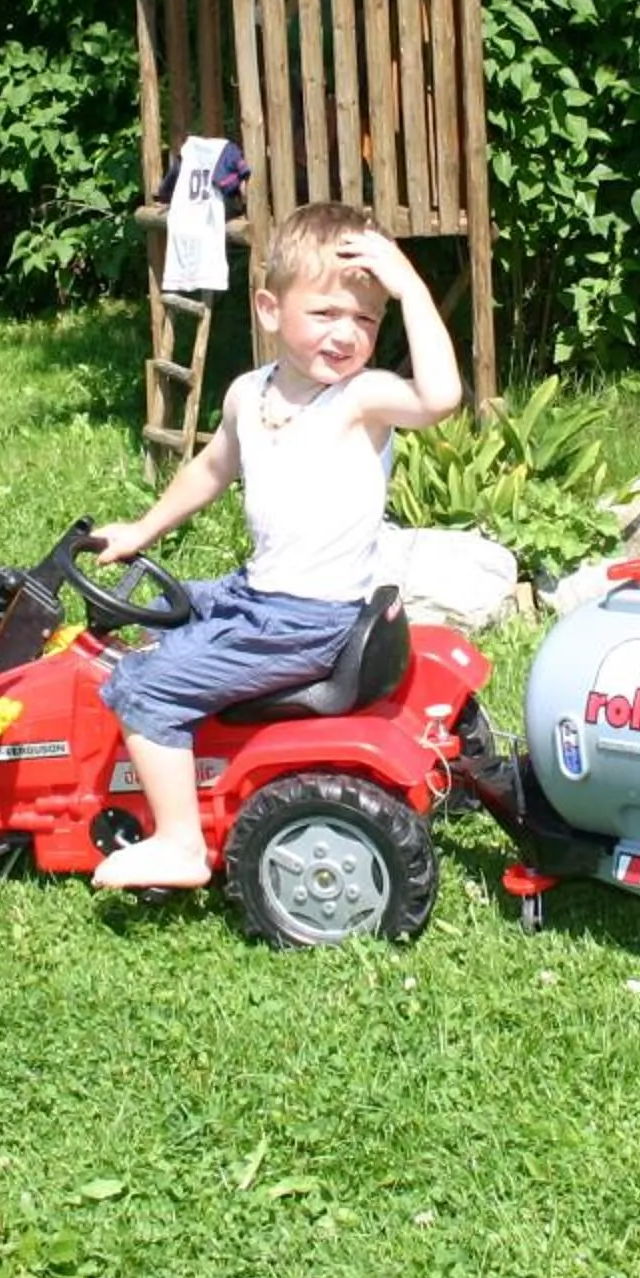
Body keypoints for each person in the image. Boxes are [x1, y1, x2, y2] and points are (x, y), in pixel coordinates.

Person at [84, 202, 463, 890]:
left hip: (309, 620)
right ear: (268, 308)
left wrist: (409, 288)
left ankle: (178, 843)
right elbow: (209, 469)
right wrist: (142, 530)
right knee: (158, 613)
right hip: (259, 594)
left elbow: (440, 396)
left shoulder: (361, 399)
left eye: (366, 319)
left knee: (141, 685)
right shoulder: (246, 394)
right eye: (325, 314)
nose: (346, 334)